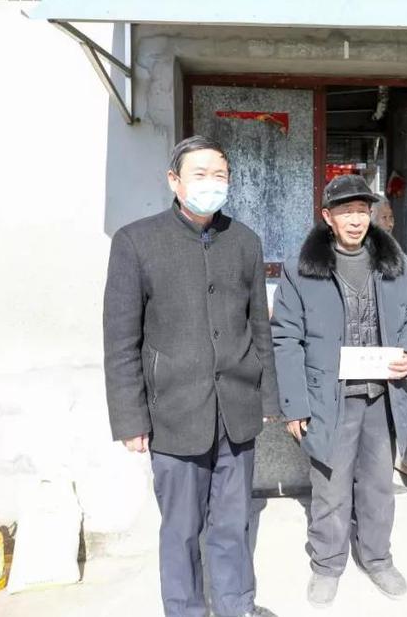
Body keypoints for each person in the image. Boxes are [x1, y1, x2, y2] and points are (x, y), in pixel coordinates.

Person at [103, 135, 279, 617]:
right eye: (199, 174)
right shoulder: (136, 241)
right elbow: (120, 340)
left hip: (236, 410)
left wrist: (268, 399)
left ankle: (236, 605)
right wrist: (130, 419)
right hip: (174, 413)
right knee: (181, 529)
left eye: (220, 175)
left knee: (233, 521)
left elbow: (259, 327)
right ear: (174, 180)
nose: (211, 183)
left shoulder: (244, 240)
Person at [271, 174, 407, 608]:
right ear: (328, 217)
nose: (356, 220)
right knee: (330, 486)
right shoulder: (301, 268)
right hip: (330, 398)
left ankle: (377, 558)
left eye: (363, 211)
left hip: (381, 396)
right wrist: (295, 406)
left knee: (379, 485)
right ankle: (327, 564)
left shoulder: (394, 262)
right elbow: (285, 337)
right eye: (346, 212)